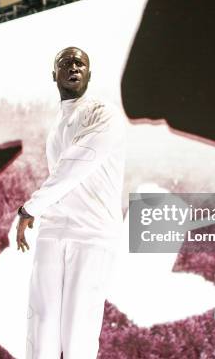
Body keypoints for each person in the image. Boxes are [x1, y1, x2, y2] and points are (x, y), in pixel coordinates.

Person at [16, 46, 127, 359]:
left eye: (80, 63)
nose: (74, 67)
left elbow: (78, 163)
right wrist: (38, 210)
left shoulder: (103, 114)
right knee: (41, 323)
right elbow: (62, 176)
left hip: (92, 234)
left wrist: (30, 208)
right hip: (53, 230)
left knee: (78, 333)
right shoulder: (57, 125)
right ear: (55, 75)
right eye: (66, 63)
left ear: (89, 74)